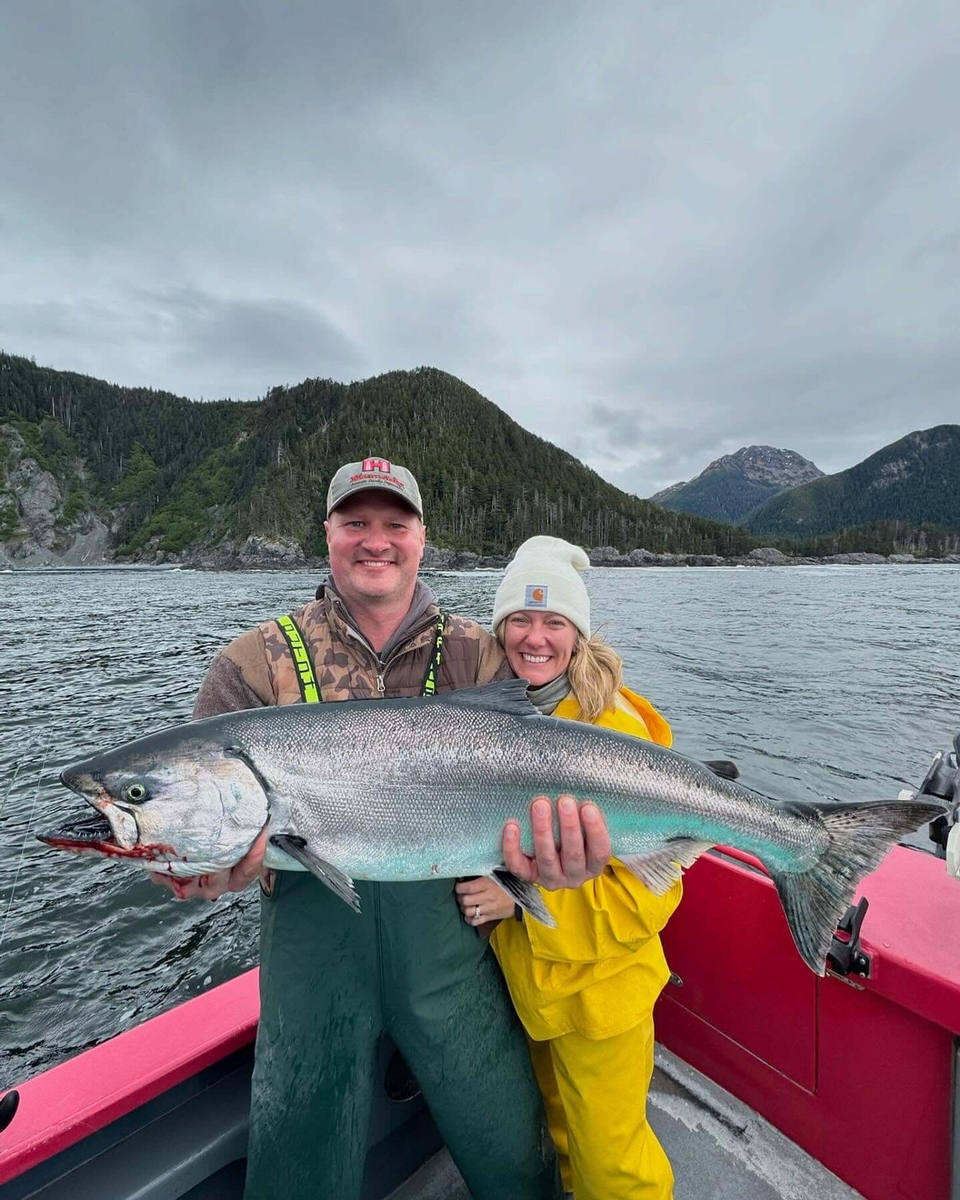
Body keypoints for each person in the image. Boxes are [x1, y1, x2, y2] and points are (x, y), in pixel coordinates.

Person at [151, 459, 610, 1200]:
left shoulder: (480, 652)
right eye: (356, 523)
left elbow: (546, 767)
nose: (376, 541)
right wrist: (194, 869)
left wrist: (540, 865)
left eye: (394, 524)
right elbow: (191, 816)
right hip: (310, 965)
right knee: (296, 1158)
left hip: (451, 948)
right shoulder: (249, 664)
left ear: (421, 538)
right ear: (327, 534)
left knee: (512, 1150)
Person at [456, 535, 679, 1200]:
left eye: (554, 621)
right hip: (534, 994)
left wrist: (510, 902)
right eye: (520, 619)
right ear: (500, 629)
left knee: (614, 1167)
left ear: (577, 634)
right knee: (558, 1142)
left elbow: (649, 896)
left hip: (603, 1000)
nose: (535, 637)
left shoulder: (613, 729)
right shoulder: (490, 718)